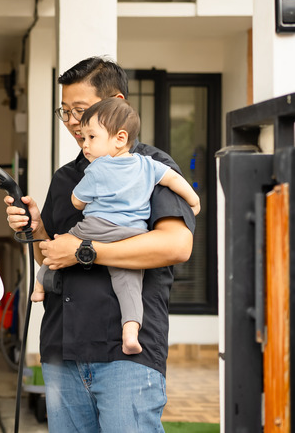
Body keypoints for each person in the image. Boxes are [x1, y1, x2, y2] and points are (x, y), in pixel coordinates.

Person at [4, 56, 195, 432]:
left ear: (117, 105)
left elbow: (176, 246)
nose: (73, 123)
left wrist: (86, 251)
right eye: (65, 112)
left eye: (81, 110)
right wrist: (38, 229)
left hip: (125, 354)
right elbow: (53, 252)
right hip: (62, 350)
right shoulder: (67, 177)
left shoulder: (151, 167)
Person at [31, 97, 200, 357]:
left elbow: (77, 202)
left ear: (119, 137)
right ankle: (130, 332)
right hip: (132, 233)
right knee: (129, 282)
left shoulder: (97, 169)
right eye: (65, 112)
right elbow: (175, 180)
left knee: (61, 243)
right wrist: (194, 201)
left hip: (97, 227)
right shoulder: (148, 165)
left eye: (81, 112)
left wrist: (81, 248)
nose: (82, 139)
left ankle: (39, 286)